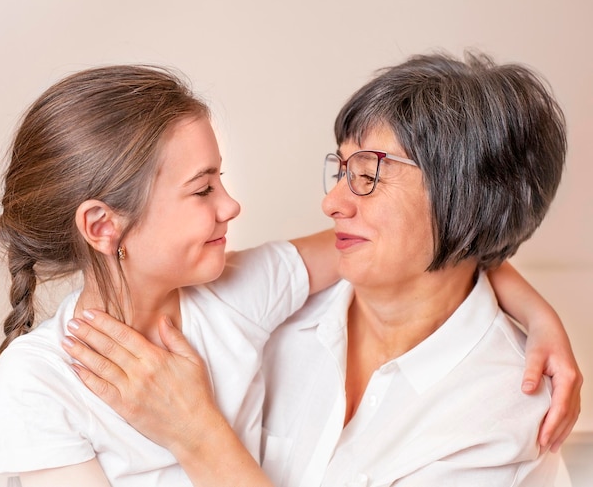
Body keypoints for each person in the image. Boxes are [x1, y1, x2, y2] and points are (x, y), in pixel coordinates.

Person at [62, 52, 582, 486]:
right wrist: (536, 310)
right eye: (341, 168)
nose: (331, 201)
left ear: (466, 201)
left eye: (368, 175)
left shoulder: (504, 409)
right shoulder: (268, 310)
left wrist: (195, 431)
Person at [0, 64, 339, 486]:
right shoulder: (40, 377)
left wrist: (194, 426)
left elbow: (371, 241)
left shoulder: (239, 292)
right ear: (102, 226)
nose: (231, 206)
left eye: (220, 180)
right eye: (202, 189)